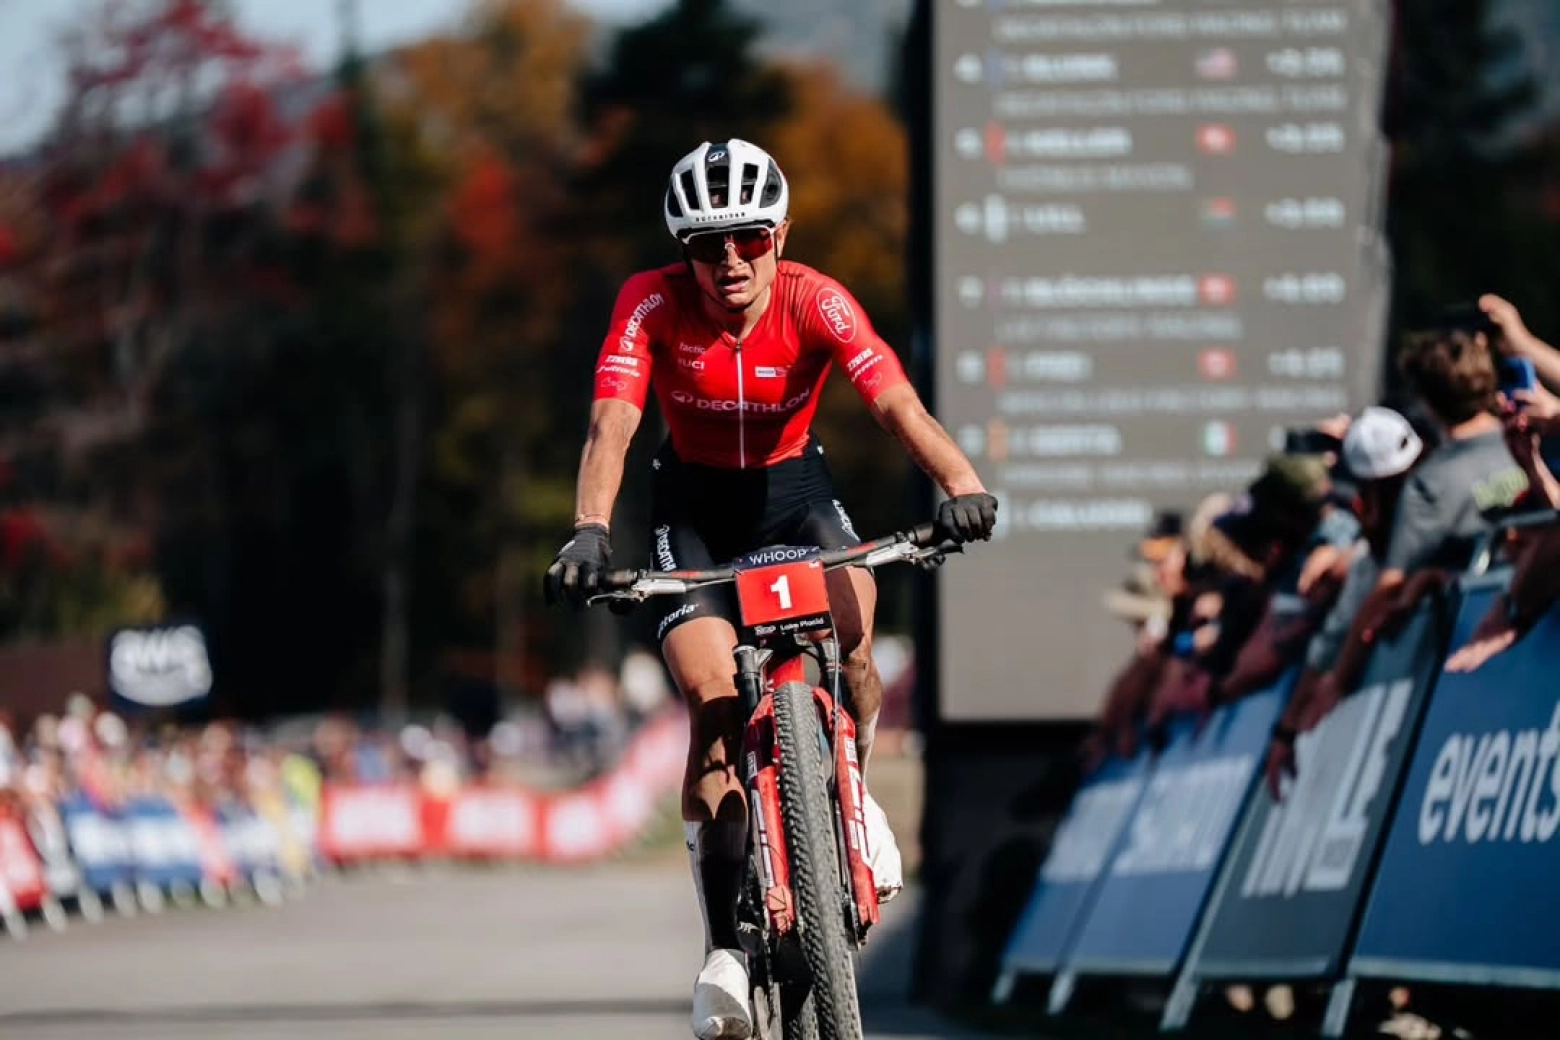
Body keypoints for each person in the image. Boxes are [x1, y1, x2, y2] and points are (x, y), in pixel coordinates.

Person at [542, 138, 997, 1040]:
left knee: (856, 639)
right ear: (682, 251)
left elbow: (897, 404)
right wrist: (591, 529)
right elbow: (613, 420)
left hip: (796, 497)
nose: (730, 262)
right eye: (707, 245)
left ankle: (851, 792)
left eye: (749, 238)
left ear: (780, 233)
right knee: (713, 703)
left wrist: (962, 486)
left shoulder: (814, 297)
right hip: (694, 510)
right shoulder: (652, 302)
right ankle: (724, 952)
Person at [1262, 406, 1424, 797]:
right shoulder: (1367, 560)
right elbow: (1329, 645)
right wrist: (1285, 732)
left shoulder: (1445, 501)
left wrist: (1339, 677)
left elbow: (1374, 602)